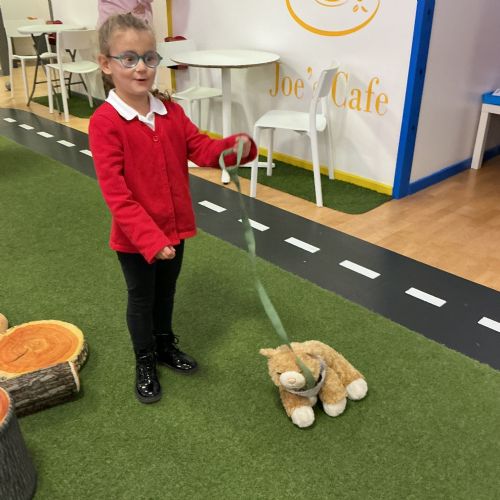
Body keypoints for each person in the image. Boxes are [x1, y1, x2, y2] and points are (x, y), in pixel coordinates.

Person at [89, 13, 257, 404]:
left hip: (175, 228)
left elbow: (200, 148)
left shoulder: (170, 112)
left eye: (149, 58)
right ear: (106, 63)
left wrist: (235, 148)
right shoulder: (105, 122)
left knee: (166, 293)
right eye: (128, 58)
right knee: (142, 299)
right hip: (136, 239)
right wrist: (150, 239)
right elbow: (116, 194)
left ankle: (164, 345)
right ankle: (145, 359)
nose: (141, 68)